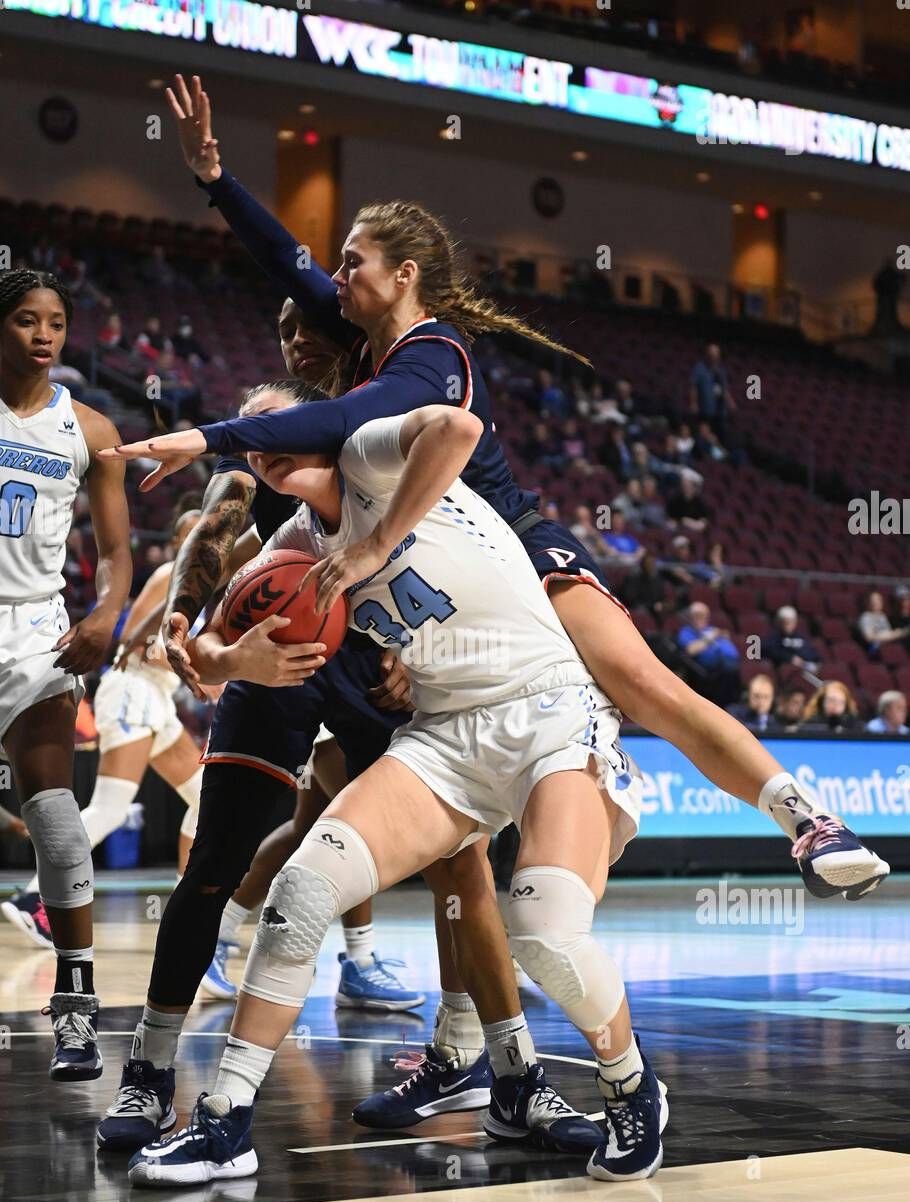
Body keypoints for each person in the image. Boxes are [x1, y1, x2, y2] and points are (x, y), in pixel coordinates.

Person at [132, 72, 889, 913]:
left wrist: (209, 435)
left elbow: (344, 416)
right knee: (445, 808)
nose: (335, 273)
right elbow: (285, 257)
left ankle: (809, 820)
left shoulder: (435, 356)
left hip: (515, 553)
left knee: (644, 688)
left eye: (353, 262)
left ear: (405, 273)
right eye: (339, 263)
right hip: (435, 584)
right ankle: (467, 1021)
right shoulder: (363, 331)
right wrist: (213, 178)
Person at [125, 398, 668, 1187]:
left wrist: (376, 541)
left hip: (548, 706)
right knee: (303, 889)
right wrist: (233, 659)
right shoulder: (295, 541)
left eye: (284, 435)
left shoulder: (379, 461)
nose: (270, 456)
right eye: (260, 447)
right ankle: (224, 1124)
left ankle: (628, 1085)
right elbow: (208, 646)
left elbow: (458, 425)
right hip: (445, 732)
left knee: (544, 931)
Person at [0, 269, 132, 1078]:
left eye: (54, 322)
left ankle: (76, 1009)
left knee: (54, 814)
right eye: (24, 320)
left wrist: (107, 613)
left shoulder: (90, 429)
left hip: (39, 636)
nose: (43, 335)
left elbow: (116, 556)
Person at [1, 503, 204, 948]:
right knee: (111, 808)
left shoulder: (200, 584)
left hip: (155, 699)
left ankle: (192, 907)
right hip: (132, 691)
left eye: (204, 534)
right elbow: (139, 642)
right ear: (175, 542)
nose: (198, 543)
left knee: (206, 798)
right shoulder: (171, 573)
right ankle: (33, 898)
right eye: (189, 534)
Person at [676, 602, 740, 707]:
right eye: (698, 615)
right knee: (729, 669)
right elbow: (690, 650)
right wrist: (709, 638)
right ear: (691, 616)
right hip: (708, 669)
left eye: (704, 615)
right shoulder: (687, 631)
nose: (701, 618)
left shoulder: (712, 630)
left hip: (729, 664)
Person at [689, 343, 736, 440]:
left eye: (716, 355)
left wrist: (730, 402)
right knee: (705, 435)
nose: (714, 357)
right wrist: (693, 403)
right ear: (707, 355)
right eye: (712, 355)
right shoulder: (699, 368)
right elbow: (693, 387)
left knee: (720, 435)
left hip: (720, 411)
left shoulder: (721, 371)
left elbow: (724, 389)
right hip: (705, 410)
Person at [764, 605, 820, 672]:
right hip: (783, 671)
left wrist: (811, 662)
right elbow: (770, 651)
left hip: (804, 671)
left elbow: (811, 654)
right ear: (779, 622)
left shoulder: (801, 637)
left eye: (791, 621)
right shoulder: (773, 637)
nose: (788, 624)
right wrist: (790, 658)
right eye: (785, 622)